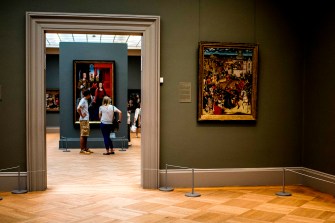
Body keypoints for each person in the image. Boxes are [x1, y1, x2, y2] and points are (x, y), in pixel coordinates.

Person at [77, 89, 93, 155]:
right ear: (88, 95)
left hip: (86, 119)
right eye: (90, 94)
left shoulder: (85, 100)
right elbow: (78, 109)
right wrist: (82, 115)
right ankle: (82, 149)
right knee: (83, 135)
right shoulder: (83, 100)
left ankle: (85, 148)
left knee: (85, 135)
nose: (91, 96)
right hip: (84, 120)